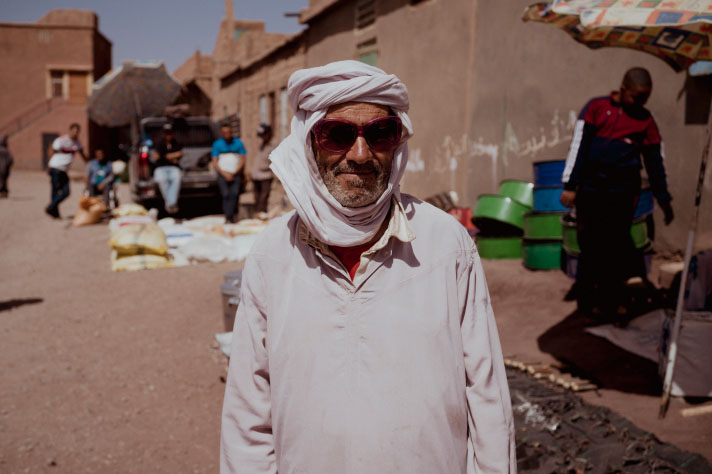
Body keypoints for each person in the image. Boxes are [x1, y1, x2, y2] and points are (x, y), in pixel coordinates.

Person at [220, 61, 515, 474]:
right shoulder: (273, 254)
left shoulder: (446, 244)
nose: (360, 155)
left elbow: (487, 396)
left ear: (397, 142)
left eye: (379, 134)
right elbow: (248, 414)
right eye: (337, 135)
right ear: (309, 142)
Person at [561, 67, 674, 316]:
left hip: (622, 195)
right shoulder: (597, 108)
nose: (641, 103)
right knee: (589, 244)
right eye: (636, 97)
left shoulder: (645, 120)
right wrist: (570, 185)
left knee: (615, 247)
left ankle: (613, 301)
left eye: (645, 98)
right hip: (591, 192)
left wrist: (663, 198)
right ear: (623, 91)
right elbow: (579, 146)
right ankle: (589, 302)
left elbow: (655, 162)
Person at [45, 123, 88, 218]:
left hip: (64, 170)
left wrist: (89, 164)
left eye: (77, 131)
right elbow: (51, 149)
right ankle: (54, 212)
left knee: (66, 192)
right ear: (70, 130)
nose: (75, 133)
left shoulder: (77, 143)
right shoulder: (61, 140)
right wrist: (48, 165)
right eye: (74, 131)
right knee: (55, 191)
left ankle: (51, 207)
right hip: (55, 168)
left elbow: (83, 154)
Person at [211, 122, 247, 223]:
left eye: (229, 132)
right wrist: (224, 173)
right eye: (225, 132)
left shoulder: (238, 143)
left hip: (235, 174)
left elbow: (242, 159)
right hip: (223, 174)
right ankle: (228, 216)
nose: (227, 134)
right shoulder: (217, 144)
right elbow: (215, 161)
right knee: (225, 195)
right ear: (222, 133)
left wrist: (234, 173)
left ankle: (232, 216)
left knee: (234, 195)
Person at [152, 123, 183, 214]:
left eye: (169, 132)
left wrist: (168, 156)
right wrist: (170, 156)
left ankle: (170, 203)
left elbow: (180, 154)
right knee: (162, 181)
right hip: (161, 168)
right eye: (166, 133)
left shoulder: (175, 142)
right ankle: (171, 203)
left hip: (173, 168)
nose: (168, 135)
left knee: (177, 179)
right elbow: (156, 156)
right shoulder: (159, 143)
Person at [251, 123, 275, 216]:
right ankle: (258, 216)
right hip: (256, 175)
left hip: (266, 175)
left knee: (263, 199)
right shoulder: (260, 143)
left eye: (263, 135)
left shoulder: (273, 145)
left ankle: (261, 216)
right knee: (256, 198)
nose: (262, 137)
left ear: (268, 133)